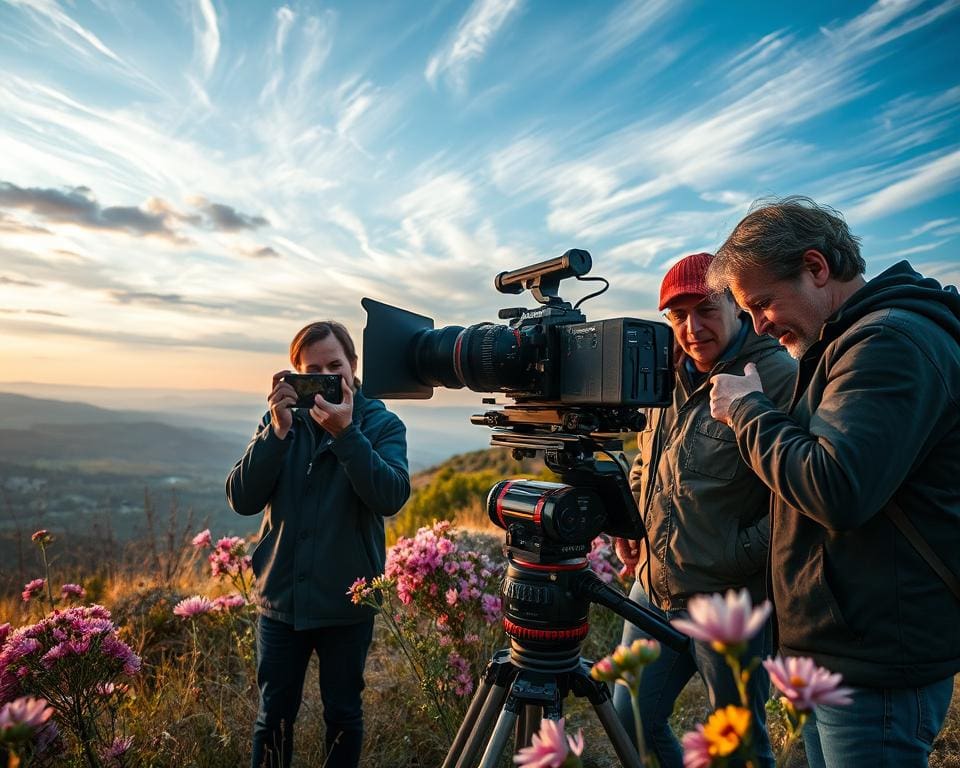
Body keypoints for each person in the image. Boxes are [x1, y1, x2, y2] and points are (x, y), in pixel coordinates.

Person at [706, 196, 960, 767]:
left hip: (876, 665)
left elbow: (835, 487)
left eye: (762, 303)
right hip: (843, 650)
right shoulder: (843, 344)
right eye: (748, 314)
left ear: (817, 267)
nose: (759, 328)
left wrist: (749, 411)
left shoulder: (888, 344)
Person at [613, 252, 796, 767]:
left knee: (733, 748)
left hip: (728, 601)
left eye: (706, 310)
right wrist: (631, 521)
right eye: (677, 315)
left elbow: (794, 496)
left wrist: (739, 555)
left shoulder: (775, 376)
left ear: (736, 305)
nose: (691, 328)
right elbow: (646, 458)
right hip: (651, 586)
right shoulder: (664, 376)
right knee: (630, 724)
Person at [226, 320, 410, 768]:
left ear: (353, 366)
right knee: (273, 719)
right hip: (282, 598)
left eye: (335, 366)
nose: (326, 376)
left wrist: (348, 436)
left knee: (343, 715)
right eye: (313, 369)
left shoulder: (382, 424)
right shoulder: (281, 424)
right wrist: (276, 432)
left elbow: (390, 496)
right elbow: (241, 498)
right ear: (293, 375)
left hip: (348, 601)